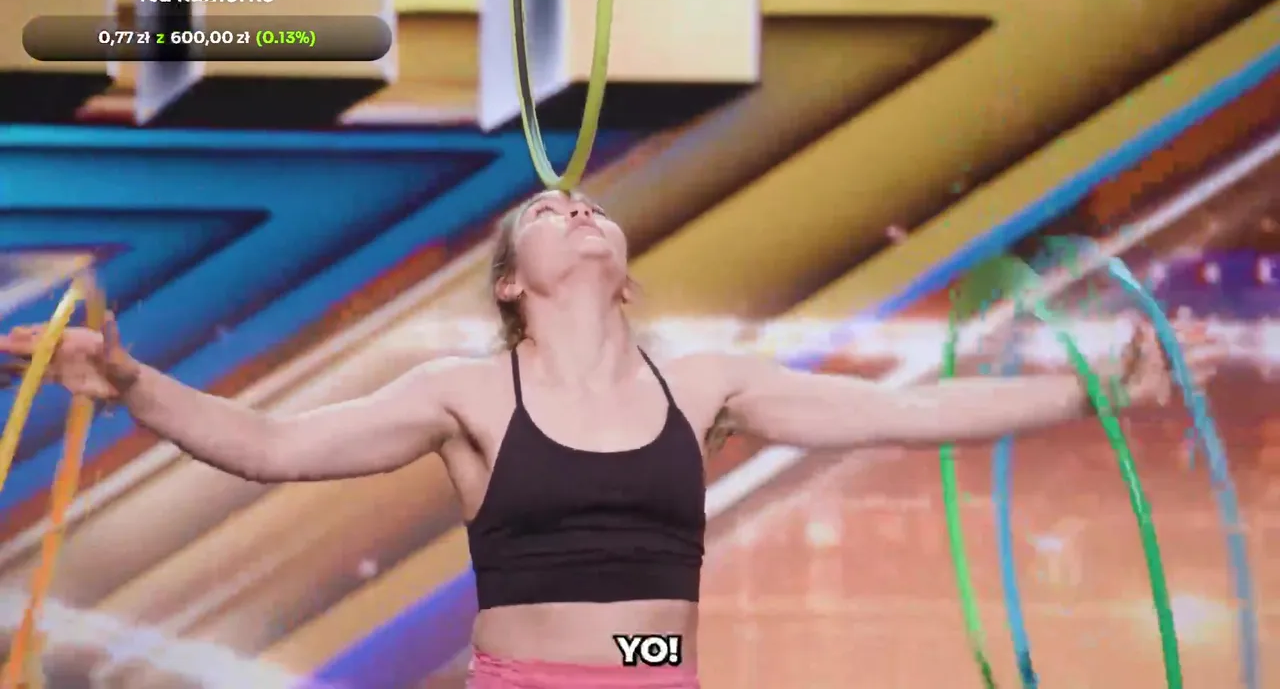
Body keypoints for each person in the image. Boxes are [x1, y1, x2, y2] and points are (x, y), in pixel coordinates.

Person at [0, 189, 1222, 688]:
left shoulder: (704, 385)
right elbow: (270, 446)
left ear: (620, 266)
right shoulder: (466, 396)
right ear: (511, 282)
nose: (576, 206)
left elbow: (908, 415)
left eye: (586, 204)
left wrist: (1090, 391)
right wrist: (130, 384)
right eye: (547, 209)